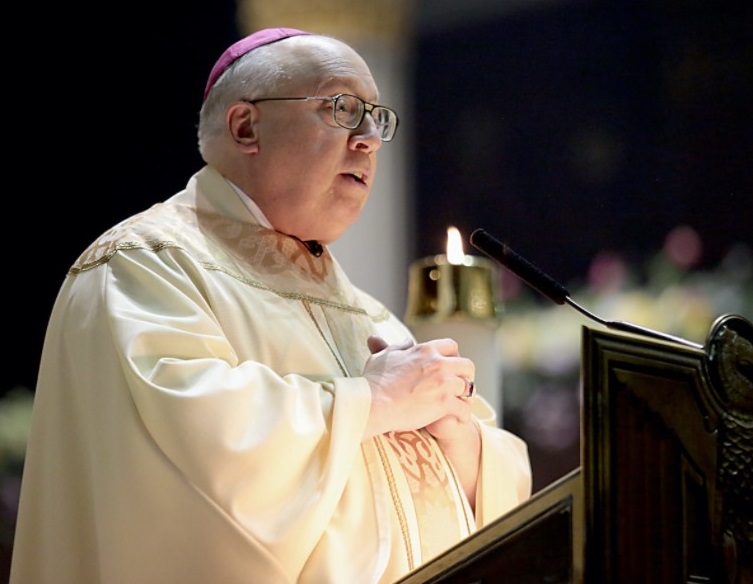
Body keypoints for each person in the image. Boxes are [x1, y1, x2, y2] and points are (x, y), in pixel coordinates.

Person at [10, 27, 531, 584]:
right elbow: (201, 446)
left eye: (376, 119)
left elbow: (498, 493)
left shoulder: (366, 313)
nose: (369, 139)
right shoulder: (142, 266)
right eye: (342, 107)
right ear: (246, 126)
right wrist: (373, 399)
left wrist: (462, 442)